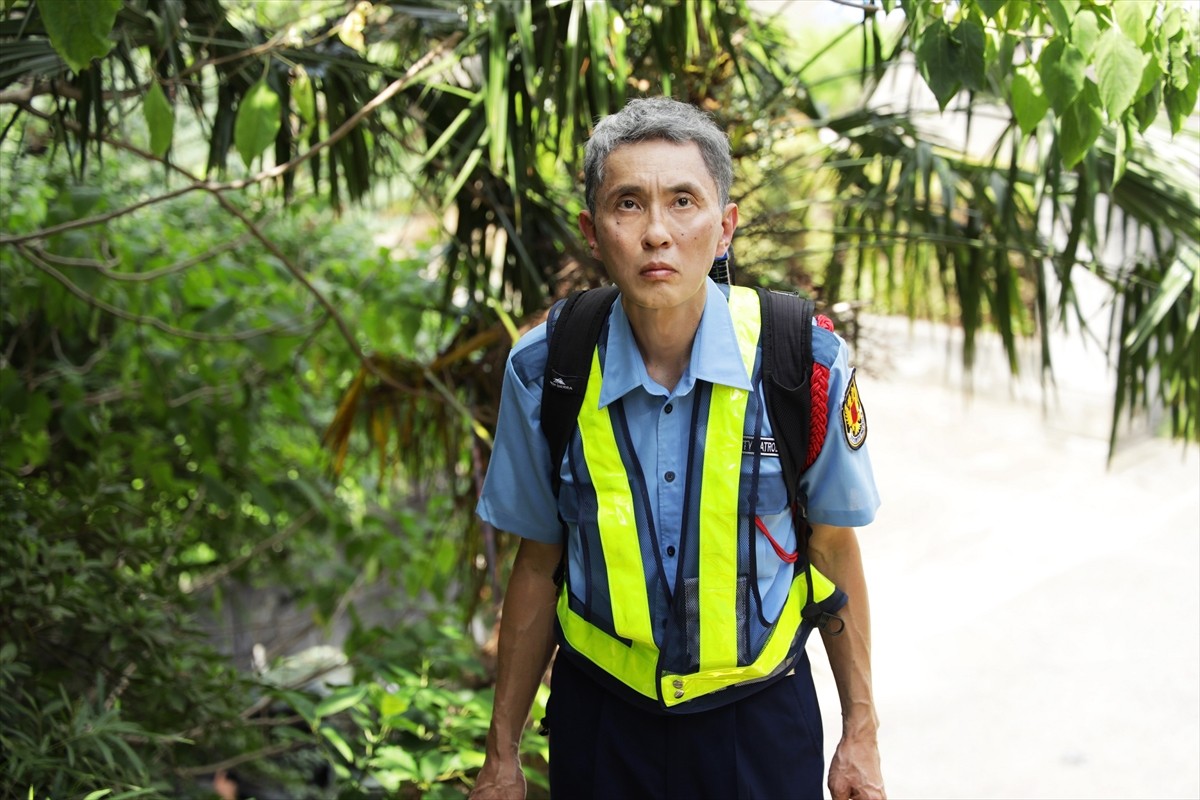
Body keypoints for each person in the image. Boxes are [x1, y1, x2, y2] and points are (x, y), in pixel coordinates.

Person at [471, 96, 884, 800]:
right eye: (627, 204)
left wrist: (861, 735)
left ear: (724, 228)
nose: (657, 232)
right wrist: (502, 753)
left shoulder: (801, 362)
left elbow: (832, 550)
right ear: (593, 232)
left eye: (683, 202)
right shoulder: (546, 370)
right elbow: (538, 561)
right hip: (602, 724)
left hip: (759, 724)